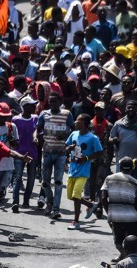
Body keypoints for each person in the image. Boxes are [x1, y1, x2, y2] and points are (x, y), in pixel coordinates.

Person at [101, 157, 137, 262]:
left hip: (115, 216)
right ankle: (130, 259)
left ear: (120, 167)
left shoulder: (109, 178)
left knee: (118, 241)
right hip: (130, 218)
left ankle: (123, 255)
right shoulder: (136, 182)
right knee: (134, 240)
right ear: (132, 168)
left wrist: (109, 213)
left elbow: (103, 197)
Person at [37, 91, 75, 219]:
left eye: (55, 101)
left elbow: (73, 130)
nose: (52, 104)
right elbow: (38, 129)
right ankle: (50, 202)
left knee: (58, 181)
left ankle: (56, 209)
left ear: (60, 102)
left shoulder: (67, 114)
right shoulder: (44, 114)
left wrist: (66, 135)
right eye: (51, 101)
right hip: (47, 152)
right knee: (45, 182)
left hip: (60, 153)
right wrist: (38, 137)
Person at [65, 114, 103, 230]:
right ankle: (91, 205)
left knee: (76, 195)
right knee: (71, 196)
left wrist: (86, 158)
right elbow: (66, 147)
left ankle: (76, 221)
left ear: (84, 123)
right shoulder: (73, 134)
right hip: (72, 169)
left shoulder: (92, 138)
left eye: (78, 120)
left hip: (83, 171)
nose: (75, 122)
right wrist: (68, 149)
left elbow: (99, 152)